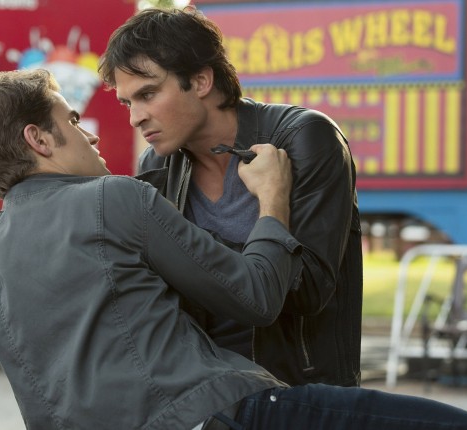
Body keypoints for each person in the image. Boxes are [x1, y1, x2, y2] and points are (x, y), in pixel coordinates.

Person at [0, 69, 467, 430]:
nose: (92, 133)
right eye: (72, 120)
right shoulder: (118, 198)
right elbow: (256, 297)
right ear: (39, 139)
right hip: (224, 415)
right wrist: (272, 201)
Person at [99, 7, 363, 388]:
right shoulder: (157, 165)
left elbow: (308, 291)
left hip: (300, 390)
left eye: (148, 94)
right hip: (208, 395)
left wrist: (187, 251)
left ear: (201, 81)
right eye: (128, 103)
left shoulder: (305, 139)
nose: (135, 118)